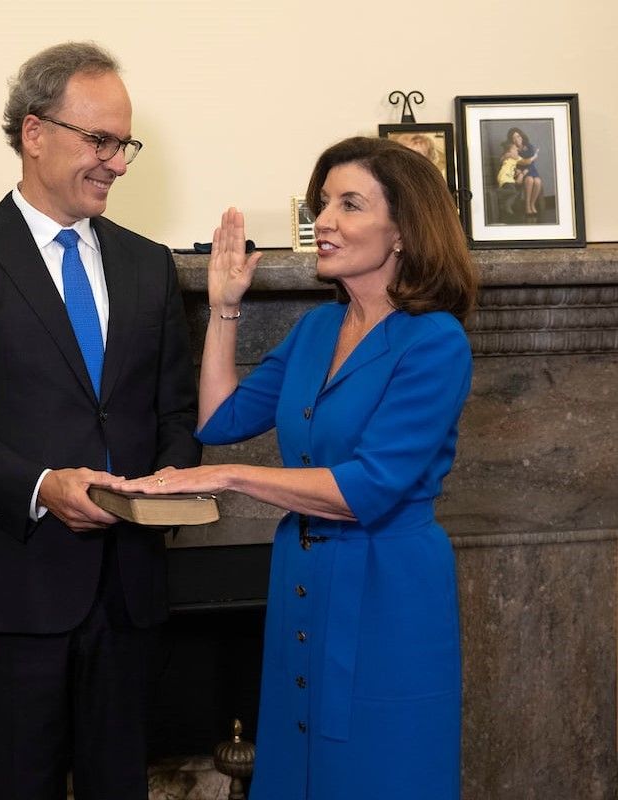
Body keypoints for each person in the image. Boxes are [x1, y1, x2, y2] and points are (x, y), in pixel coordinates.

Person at [120, 136, 478, 800]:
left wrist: (227, 477)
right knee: (297, 764)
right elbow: (219, 419)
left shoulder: (435, 343)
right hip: (303, 574)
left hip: (389, 587)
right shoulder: (317, 329)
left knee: (381, 771)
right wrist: (224, 305)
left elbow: (366, 489)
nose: (325, 221)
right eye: (322, 204)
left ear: (403, 229)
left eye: (349, 204)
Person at [0, 42, 199, 800]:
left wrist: (168, 484)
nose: (117, 163)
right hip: (10, 589)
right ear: (34, 132)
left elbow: (173, 411)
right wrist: (41, 486)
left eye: (123, 144)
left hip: (128, 593)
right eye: (100, 140)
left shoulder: (149, 265)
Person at [508, 127, 543, 217]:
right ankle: (527, 206)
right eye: (514, 138)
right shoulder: (512, 149)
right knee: (529, 180)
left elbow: (532, 162)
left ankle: (532, 204)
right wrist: (518, 171)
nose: (517, 139)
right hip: (519, 172)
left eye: (518, 136)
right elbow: (512, 163)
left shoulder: (529, 146)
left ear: (522, 136)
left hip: (530, 169)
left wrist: (524, 171)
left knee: (538, 181)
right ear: (511, 140)